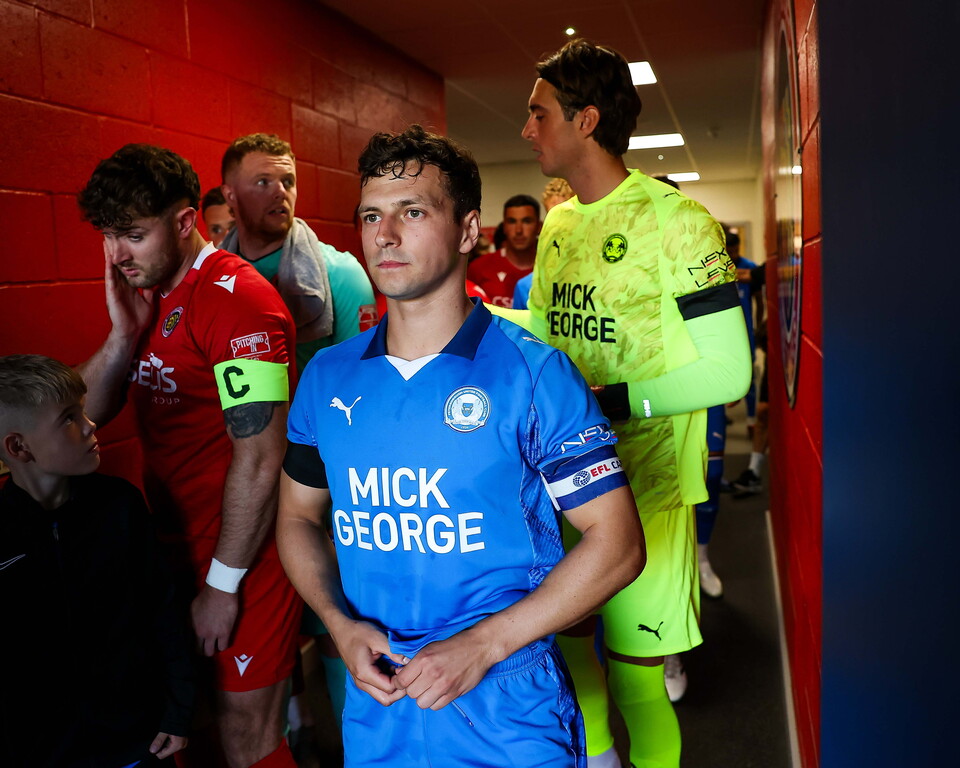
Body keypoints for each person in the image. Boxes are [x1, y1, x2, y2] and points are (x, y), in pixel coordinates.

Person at [276, 124, 646, 768]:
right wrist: (339, 624)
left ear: (469, 231)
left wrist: (485, 645)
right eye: (371, 215)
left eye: (412, 212)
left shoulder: (534, 374)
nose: (384, 235)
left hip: (507, 705)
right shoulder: (327, 377)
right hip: (380, 703)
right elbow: (296, 517)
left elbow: (618, 545)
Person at [522, 40, 752, 768]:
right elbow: (549, 329)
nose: (526, 130)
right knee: (568, 655)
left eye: (539, 114)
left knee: (640, 684)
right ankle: (597, 758)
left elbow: (728, 371)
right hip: (558, 487)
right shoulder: (557, 225)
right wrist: (471, 316)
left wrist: (614, 400)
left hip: (644, 491)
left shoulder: (680, 222)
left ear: (585, 120)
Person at [75, 144, 302, 768]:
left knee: (245, 734)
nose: (118, 255)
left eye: (132, 235)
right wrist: (123, 335)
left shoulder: (238, 301)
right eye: (107, 237)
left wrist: (222, 585)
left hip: (243, 554)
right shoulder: (147, 295)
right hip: (170, 548)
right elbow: (82, 419)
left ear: (182, 222)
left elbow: (261, 456)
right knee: (182, 723)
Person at [0, 354, 194, 767]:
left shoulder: (120, 505)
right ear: (19, 447)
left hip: (137, 738)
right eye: (68, 418)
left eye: (83, 411)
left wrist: (178, 710)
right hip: (43, 750)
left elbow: (163, 611)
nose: (90, 426)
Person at [219, 133, 379, 373]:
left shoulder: (342, 273)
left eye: (288, 181)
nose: (280, 192)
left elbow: (362, 378)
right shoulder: (210, 277)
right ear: (230, 195)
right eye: (263, 182)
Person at [467, 193, 541, 307]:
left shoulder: (551, 269)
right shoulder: (479, 268)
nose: (518, 230)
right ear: (504, 226)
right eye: (512, 221)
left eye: (526, 221)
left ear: (539, 226)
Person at [514, 179, 575, 310]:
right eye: (553, 215)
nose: (559, 223)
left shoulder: (601, 276)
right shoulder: (526, 287)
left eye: (567, 213)